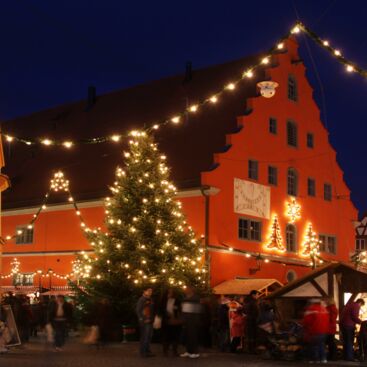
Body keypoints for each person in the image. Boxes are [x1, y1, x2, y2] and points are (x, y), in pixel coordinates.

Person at [302, 298, 329, 363]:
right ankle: (323, 359)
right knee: (321, 345)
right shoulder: (324, 309)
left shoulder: (310, 310)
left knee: (313, 346)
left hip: (314, 330)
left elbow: (306, 321)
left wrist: (305, 327)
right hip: (323, 331)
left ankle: (314, 359)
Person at [180, 286, 202, 359]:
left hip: (193, 320)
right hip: (187, 320)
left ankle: (194, 352)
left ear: (191, 290)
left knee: (193, 336)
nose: (185, 290)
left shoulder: (195, 298)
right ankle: (188, 351)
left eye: (187, 289)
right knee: (187, 336)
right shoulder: (186, 297)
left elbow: (196, 309)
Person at [159, 288, 182, 356]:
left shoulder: (177, 300)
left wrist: (177, 315)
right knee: (166, 336)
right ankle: (165, 351)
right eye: (169, 293)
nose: (170, 294)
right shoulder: (164, 300)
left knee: (175, 336)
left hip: (175, 320)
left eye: (171, 293)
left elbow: (179, 309)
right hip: (166, 321)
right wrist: (166, 314)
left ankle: (174, 351)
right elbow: (161, 309)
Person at [136, 287, 155, 358]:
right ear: (144, 291)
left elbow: (152, 310)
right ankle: (143, 352)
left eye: (151, 291)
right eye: (149, 291)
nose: (150, 292)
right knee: (145, 336)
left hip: (150, 320)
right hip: (145, 321)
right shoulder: (141, 300)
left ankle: (147, 351)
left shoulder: (151, 299)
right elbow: (138, 310)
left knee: (149, 336)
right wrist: (142, 319)